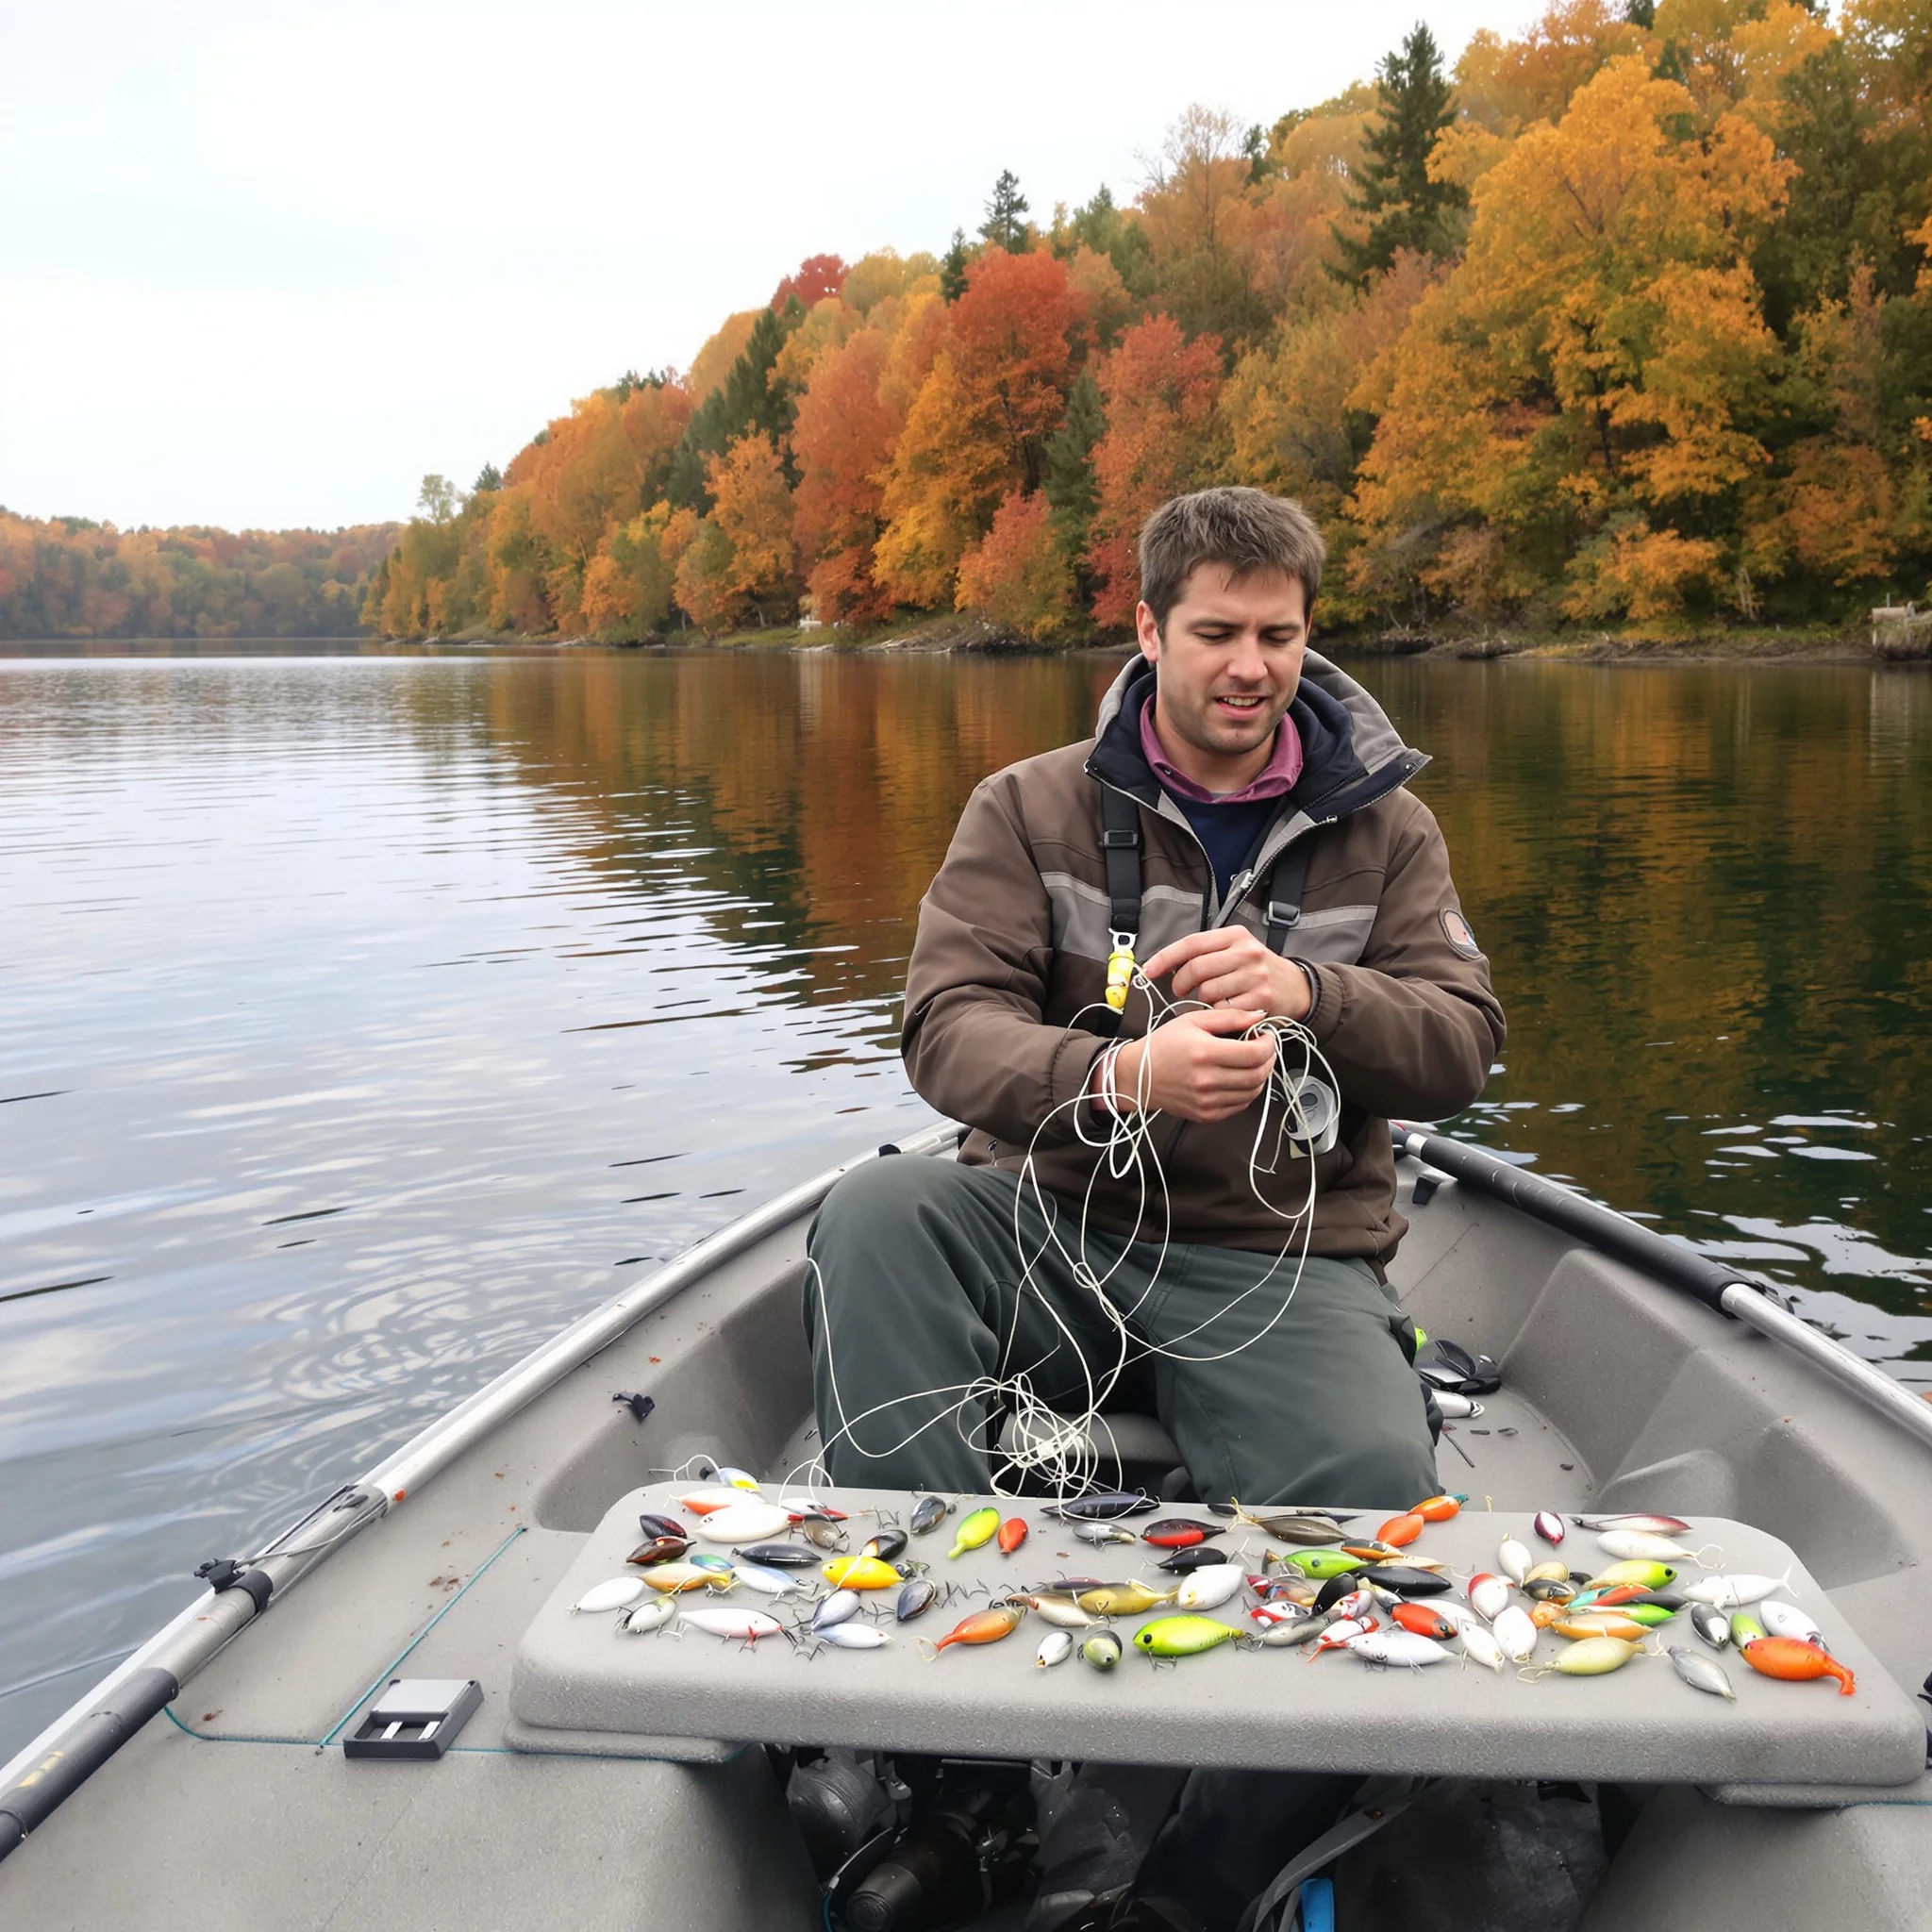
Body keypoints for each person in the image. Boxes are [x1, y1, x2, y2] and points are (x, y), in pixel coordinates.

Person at [805, 486, 1505, 1515]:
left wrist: (1309, 995)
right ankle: (917, 1584)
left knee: (1370, 1498)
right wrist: (1116, 1076)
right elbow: (944, 1028)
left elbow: (1460, 1047)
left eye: (1277, 634)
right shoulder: (1024, 808)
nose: (1249, 666)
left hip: (1279, 1264)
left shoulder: (1391, 832)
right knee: (875, 1210)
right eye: (1215, 631)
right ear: (1149, 628)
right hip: (1048, 1231)